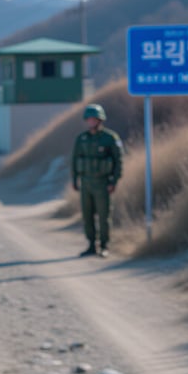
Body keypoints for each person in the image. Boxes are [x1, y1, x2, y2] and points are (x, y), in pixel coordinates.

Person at [71, 103, 123, 258]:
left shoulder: (110, 138)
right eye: (89, 119)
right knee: (87, 216)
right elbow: (74, 160)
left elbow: (118, 161)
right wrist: (75, 179)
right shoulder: (81, 139)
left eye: (95, 119)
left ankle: (104, 245)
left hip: (102, 183)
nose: (92, 122)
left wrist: (114, 181)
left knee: (103, 215)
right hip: (86, 182)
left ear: (100, 120)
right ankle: (91, 245)